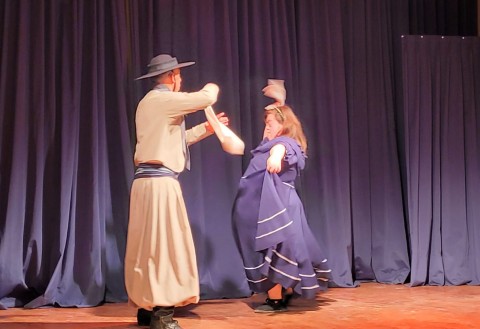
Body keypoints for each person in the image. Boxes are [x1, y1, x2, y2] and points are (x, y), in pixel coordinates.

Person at [124, 54, 226, 329]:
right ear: (171, 77)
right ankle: (162, 314)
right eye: (179, 75)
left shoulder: (151, 103)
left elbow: (172, 140)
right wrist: (213, 86)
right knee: (166, 247)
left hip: (146, 183)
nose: (180, 80)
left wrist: (205, 130)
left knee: (148, 248)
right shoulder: (162, 100)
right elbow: (206, 97)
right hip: (159, 185)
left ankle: (148, 306)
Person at [232, 81, 331, 313]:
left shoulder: (284, 143)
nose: (266, 128)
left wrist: (275, 158)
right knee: (285, 246)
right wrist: (277, 106)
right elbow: (272, 139)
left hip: (278, 205)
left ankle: (275, 299)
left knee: (274, 246)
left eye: (269, 124)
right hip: (281, 202)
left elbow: (282, 148)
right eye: (265, 124)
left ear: (283, 125)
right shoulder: (274, 141)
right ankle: (284, 292)